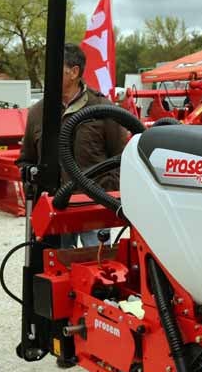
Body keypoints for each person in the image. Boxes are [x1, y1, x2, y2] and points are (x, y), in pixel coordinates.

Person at [17, 43, 128, 247]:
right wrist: (32, 186)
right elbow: (26, 159)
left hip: (94, 207)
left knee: (97, 265)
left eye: (54, 69)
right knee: (57, 268)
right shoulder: (37, 113)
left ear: (74, 72)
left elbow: (121, 157)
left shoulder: (102, 109)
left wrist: (105, 193)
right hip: (55, 208)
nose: (46, 75)